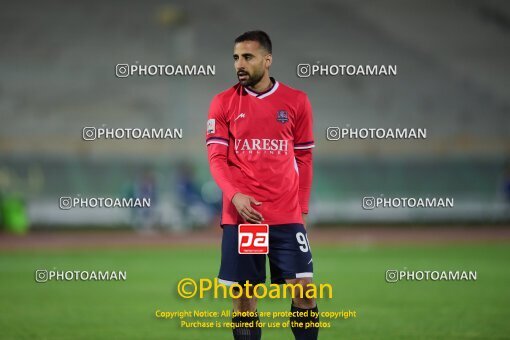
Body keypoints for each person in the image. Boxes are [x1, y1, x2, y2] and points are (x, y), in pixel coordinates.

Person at [206, 30, 318, 340]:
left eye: (247, 57)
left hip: (286, 216)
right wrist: (235, 195)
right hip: (247, 219)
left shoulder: (296, 101)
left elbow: (304, 159)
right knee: (244, 302)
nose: (239, 64)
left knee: (305, 294)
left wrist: (303, 209)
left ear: (267, 60)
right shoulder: (223, 103)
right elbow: (217, 159)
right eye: (235, 58)